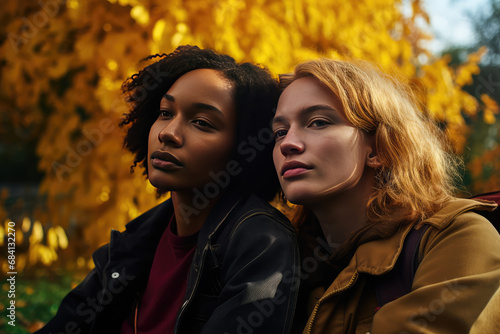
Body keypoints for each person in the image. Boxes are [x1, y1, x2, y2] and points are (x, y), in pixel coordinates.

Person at [37, 45, 300, 334]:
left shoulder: (263, 243)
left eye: (201, 122)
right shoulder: (138, 239)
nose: (168, 133)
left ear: (245, 146)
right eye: (164, 112)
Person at [271, 58, 500, 333]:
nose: (288, 144)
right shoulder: (278, 261)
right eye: (280, 132)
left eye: (318, 122)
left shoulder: (459, 236)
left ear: (378, 148)